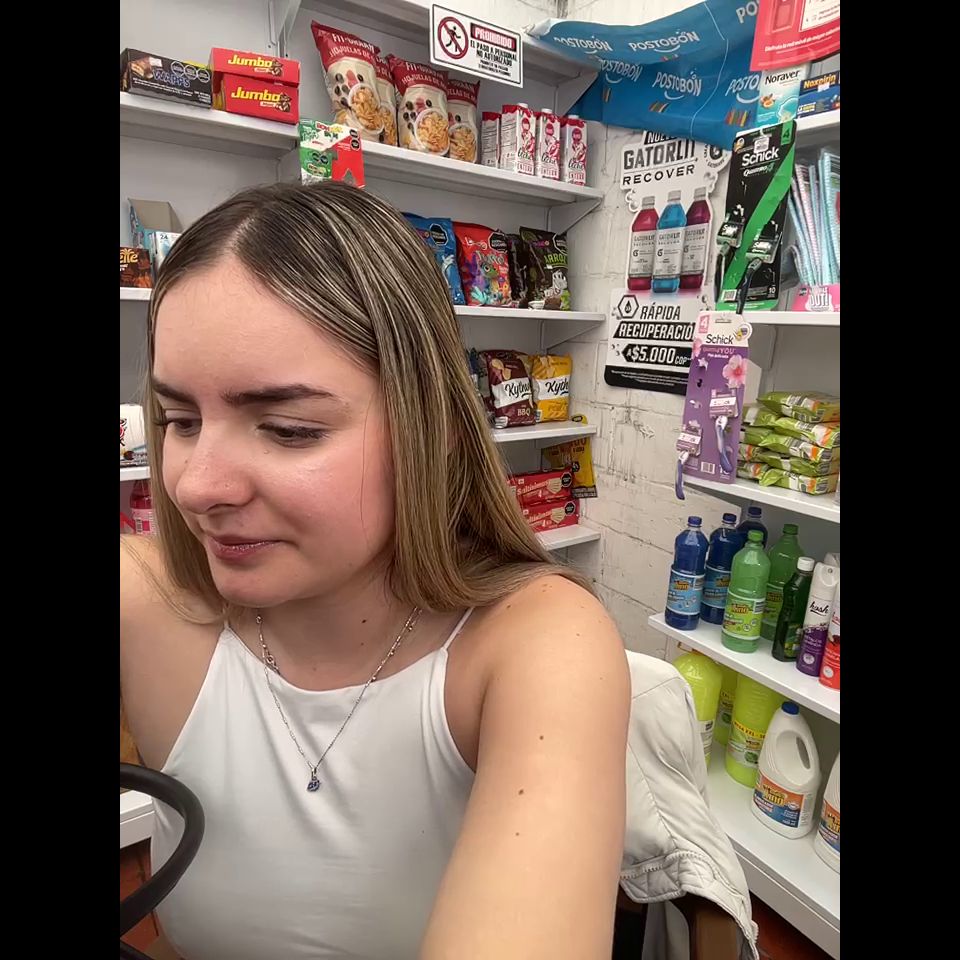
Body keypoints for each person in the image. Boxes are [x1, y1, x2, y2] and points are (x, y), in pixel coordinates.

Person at [120, 181, 631, 960]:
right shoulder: (151, 599)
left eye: (288, 429)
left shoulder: (538, 644)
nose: (196, 486)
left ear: (436, 429)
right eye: (180, 420)